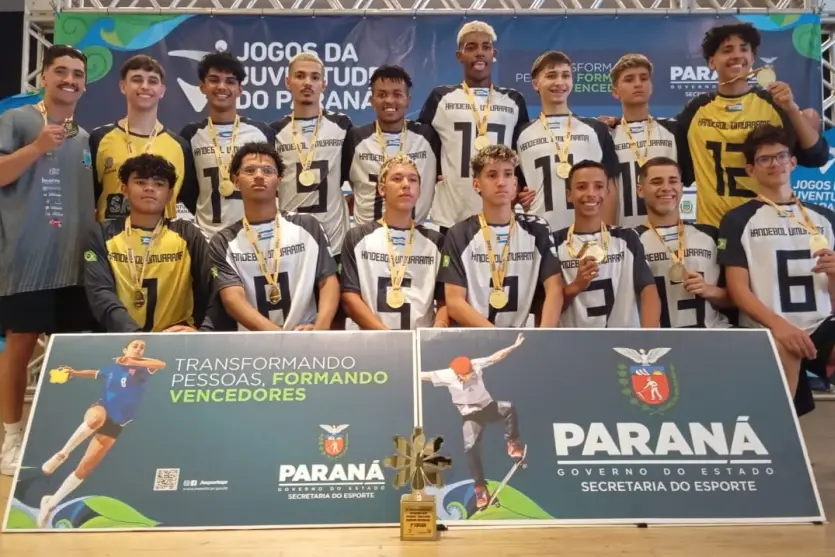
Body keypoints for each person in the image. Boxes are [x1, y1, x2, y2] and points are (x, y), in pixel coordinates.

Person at [0, 45, 96, 477]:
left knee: (69, 353)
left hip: (74, 264)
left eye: (77, 74)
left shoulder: (84, 136)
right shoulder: (17, 120)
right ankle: (11, 436)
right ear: (43, 76)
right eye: (61, 71)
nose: (69, 80)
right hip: (26, 258)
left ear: (85, 85)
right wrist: (37, 147)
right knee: (20, 346)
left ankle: (57, 435)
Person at [718, 124, 835, 417]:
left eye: (782, 156)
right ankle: (781, 442)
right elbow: (737, 288)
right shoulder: (737, 219)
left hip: (819, 323)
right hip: (766, 326)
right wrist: (779, 326)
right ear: (751, 170)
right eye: (765, 159)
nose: (775, 164)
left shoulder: (826, 217)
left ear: (793, 162)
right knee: (780, 392)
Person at [676, 22, 829, 228]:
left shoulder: (774, 104)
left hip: (768, 228)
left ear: (753, 58)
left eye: (744, 49)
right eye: (727, 50)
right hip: (714, 229)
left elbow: (817, 157)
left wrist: (792, 109)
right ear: (712, 62)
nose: (737, 55)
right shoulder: (695, 110)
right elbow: (680, 170)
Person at [209, 141, 340, 331]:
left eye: (268, 171)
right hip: (253, 344)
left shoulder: (307, 226)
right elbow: (233, 299)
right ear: (236, 180)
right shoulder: (223, 241)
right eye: (250, 170)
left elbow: (328, 281)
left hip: (306, 338)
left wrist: (319, 329)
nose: (259, 176)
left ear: (279, 180)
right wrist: (279, 339)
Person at [37, 339, 166, 528]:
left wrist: (132, 361)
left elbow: (161, 364)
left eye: (142, 347)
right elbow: (96, 373)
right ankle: (62, 454)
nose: (139, 348)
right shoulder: (113, 368)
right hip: (102, 408)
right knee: (95, 419)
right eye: (135, 346)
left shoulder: (145, 368)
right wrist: (75, 373)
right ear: (125, 349)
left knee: (85, 468)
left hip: (118, 422)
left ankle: (51, 502)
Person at [83, 154, 217, 333]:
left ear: (170, 195)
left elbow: (215, 287)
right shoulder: (102, 234)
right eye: (140, 182)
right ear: (124, 189)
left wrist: (204, 331)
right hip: (121, 341)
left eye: (159, 184)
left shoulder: (188, 234)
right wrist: (134, 335)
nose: (149, 188)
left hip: (176, 340)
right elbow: (100, 292)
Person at [418, 20, 530, 234]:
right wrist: (436, 172)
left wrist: (522, 188)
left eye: (486, 47)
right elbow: (421, 142)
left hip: (500, 209)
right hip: (452, 214)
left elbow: (521, 150)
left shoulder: (513, 100)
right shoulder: (441, 97)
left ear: (493, 54)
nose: (479, 52)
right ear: (459, 55)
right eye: (471, 47)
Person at [439, 145, 562, 328]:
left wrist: (543, 336)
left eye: (508, 174)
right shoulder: (458, 234)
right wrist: (498, 337)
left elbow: (554, 289)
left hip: (523, 338)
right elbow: (455, 303)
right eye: (492, 175)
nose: (501, 182)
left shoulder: (538, 229)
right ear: (476, 184)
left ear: (515, 184)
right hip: (475, 338)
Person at [420, 333, 526, 512]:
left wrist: (514, 346)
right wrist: (406, 368)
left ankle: (513, 443)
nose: (470, 376)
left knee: (508, 408)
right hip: (471, 417)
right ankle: (480, 488)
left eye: (471, 373)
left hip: (488, 408)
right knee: (470, 448)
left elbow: (496, 357)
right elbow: (424, 376)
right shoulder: (446, 375)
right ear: (457, 374)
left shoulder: (476, 365)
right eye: (466, 375)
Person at [341, 154, 447, 330]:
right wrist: (387, 337)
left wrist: (437, 331)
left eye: (413, 180)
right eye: (397, 179)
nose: (406, 184)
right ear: (382, 189)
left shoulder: (436, 242)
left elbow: (445, 300)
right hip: (372, 341)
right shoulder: (357, 238)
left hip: (420, 342)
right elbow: (349, 297)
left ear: (419, 190)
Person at [516, 50, 619, 231]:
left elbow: (610, 189)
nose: (559, 82)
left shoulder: (596, 129)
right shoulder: (520, 133)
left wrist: (607, 235)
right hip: (539, 235)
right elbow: (515, 186)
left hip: (588, 234)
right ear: (535, 84)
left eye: (566, 75)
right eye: (551, 76)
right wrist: (520, 197)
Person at [179, 51, 275, 238]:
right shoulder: (191, 134)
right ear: (202, 87)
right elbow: (188, 190)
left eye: (230, 81)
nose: (222, 87)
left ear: (240, 89)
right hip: (208, 237)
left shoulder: (261, 132)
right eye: (214, 80)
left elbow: (273, 185)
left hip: (253, 237)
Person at [554, 160, 661, 328]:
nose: (591, 193)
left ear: (607, 192)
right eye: (581, 187)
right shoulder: (553, 243)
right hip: (572, 342)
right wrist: (576, 286)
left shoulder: (627, 238)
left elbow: (649, 291)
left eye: (598, 186)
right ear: (569, 194)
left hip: (621, 341)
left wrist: (649, 337)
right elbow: (544, 308)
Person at [89, 54, 196, 222]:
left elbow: (190, 203)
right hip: (110, 237)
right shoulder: (99, 139)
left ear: (162, 91)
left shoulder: (180, 146)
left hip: (162, 238)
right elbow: (87, 199)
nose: (145, 86)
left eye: (152, 81)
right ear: (123, 86)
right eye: (137, 80)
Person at [270, 51, 352, 268]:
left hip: (334, 242)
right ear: (288, 82)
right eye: (300, 76)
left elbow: (351, 175)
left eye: (315, 77)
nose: (307, 82)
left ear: (324, 84)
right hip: (290, 240)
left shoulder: (342, 125)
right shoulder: (275, 131)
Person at [634, 157, 731, 328]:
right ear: (640, 190)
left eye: (673, 181)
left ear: (681, 187)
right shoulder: (630, 241)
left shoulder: (712, 235)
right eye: (656, 182)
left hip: (712, 335)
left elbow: (736, 299)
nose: (666, 188)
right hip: (659, 340)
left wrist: (708, 290)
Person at [342, 65, 440, 227]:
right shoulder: (354, 138)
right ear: (371, 100)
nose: (389, 100)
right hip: (367, 236)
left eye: (397, 94)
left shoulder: (428, 137)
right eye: (381, 94)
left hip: (415, 235)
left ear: (408, 100)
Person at [608, 54, 679, 228]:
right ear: (615, 92)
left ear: (651, 86)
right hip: (624, 234)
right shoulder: (607, 135)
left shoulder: (674, 131)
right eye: (629, 79)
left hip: (668, 233)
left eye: (644, 78)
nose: (638, 84)